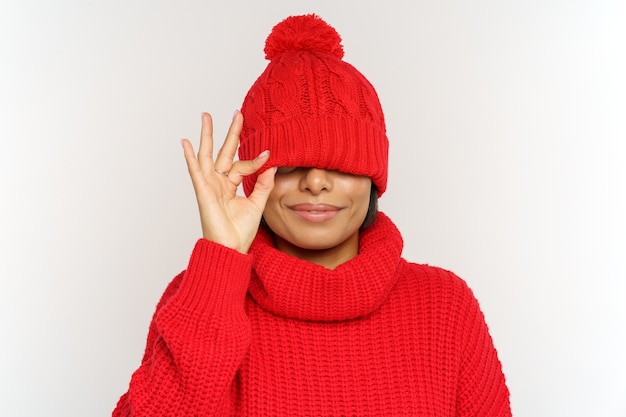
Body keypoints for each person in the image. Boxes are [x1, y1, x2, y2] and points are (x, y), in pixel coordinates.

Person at [113, 14, 511, 416]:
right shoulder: (200, 297)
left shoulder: (444, 307)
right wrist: (220, 261)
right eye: (290, 164)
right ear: (253, 178)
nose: (316, 182)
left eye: (339, 162)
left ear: (373, 178)